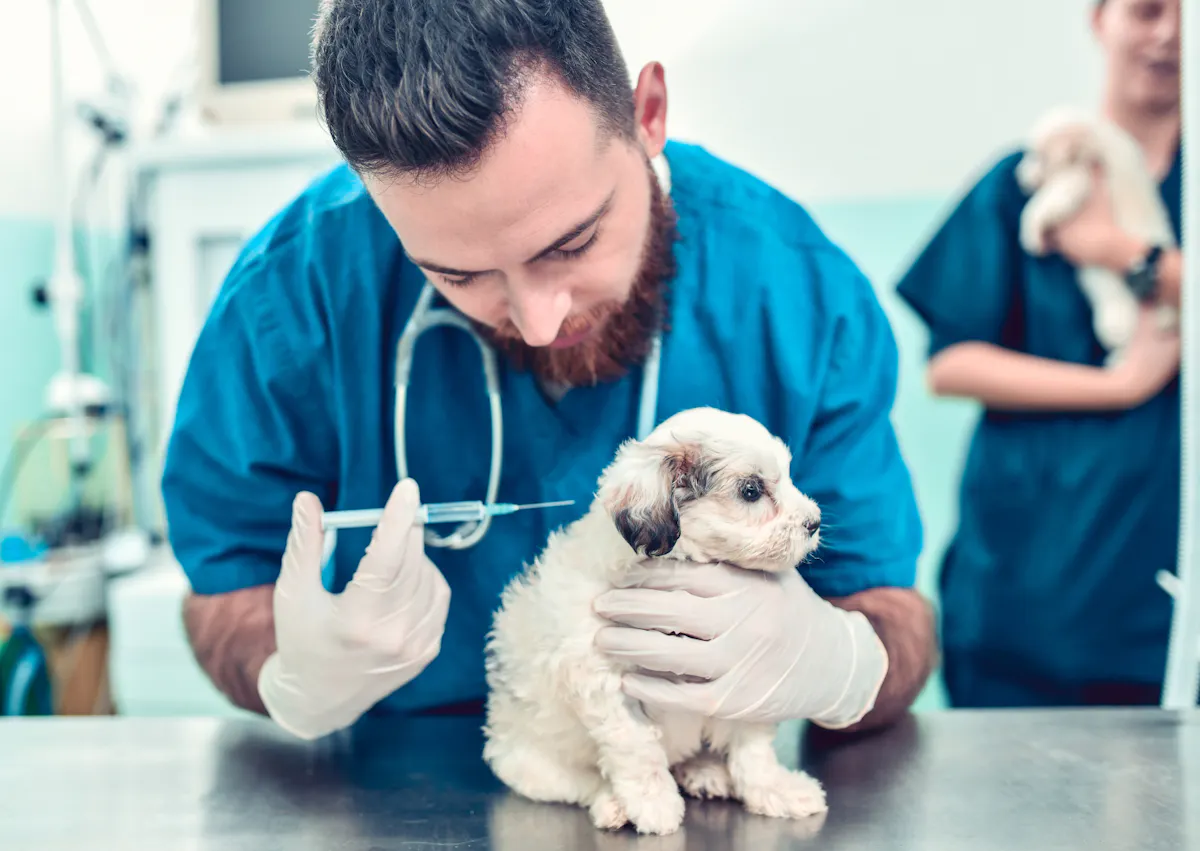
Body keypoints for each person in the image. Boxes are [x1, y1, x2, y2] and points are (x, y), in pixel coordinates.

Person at [162, 0, 934, 741]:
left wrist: (839, 664)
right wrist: (289, 671)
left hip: (674, 776)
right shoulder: (296, 291)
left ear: (647, 114)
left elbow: (893, 612)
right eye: (459, 275)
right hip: (399, 777)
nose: (539, 321)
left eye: (570, 244)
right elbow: (224, 594)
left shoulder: (797, 295)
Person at [896, 0, 1183, 708]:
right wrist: (1121, 385)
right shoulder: (1021, 182)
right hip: (1023, 596)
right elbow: (951, 364)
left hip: (1162, 606)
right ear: (1100, 19)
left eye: (1190, 16)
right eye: (1147, 10)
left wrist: (1123, 251)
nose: (1170, 34)